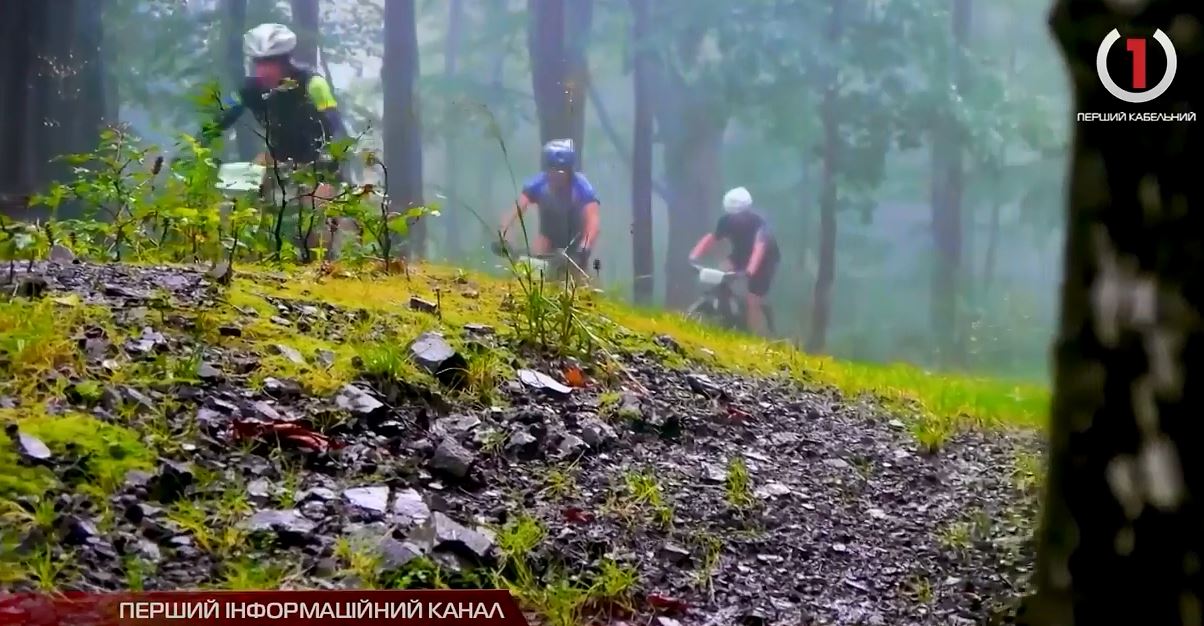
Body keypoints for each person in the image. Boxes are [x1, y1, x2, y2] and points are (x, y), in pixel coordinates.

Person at [199, 23, 351, 256]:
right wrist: (197, 147)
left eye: (270, 63)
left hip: (317, 163)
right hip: (276, 160)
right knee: (240, 206)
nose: (263, 71)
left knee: (317, 232)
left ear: (285, 62)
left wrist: (334, 162)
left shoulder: (313, 83)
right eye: (258, 63)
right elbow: (220, 119)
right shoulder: (250, 89)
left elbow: (335, 126)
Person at [498, 138, 600, 279]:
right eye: (553, 167)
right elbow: (517, 208)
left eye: (562, 169)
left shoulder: (583, 187)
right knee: (531, 265)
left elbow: (592, 221)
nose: (557, 174)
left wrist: (585, 247)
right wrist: (504, 234)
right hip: (547, 236)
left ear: (569, 169)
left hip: (575, 241)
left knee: (577, 279)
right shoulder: (538, 183)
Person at [688, 186, 780, 335]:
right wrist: (694, 256)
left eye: (739, 215)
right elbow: (711, 238)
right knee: (721, 271)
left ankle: (754, 337)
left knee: (752, 300)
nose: (735, 219)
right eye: (732, 215)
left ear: (747, 211)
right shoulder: (727, 220)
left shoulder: (760, 224)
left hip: (765, 261)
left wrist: (749, 271)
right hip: (740, 254)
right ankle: (726, 310)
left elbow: (759, 248)